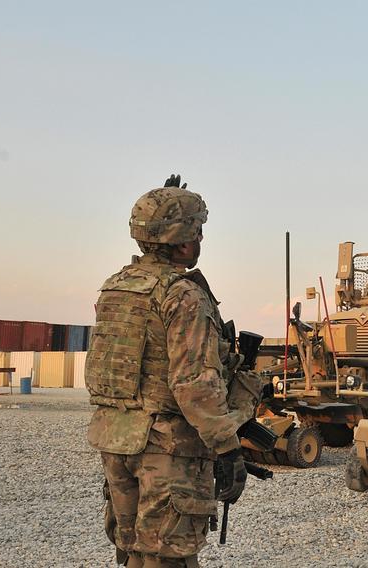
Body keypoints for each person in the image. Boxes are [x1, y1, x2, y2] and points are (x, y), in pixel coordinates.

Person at [85, 174, 258, 568]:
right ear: (182, 239)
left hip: (116, 438)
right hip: (166, 448)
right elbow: (194, 383)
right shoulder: (182, 294)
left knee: (135, 551)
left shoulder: (117, 286)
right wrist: (227, 448)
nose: (199, 241)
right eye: (196, 231)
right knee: (168, 557)